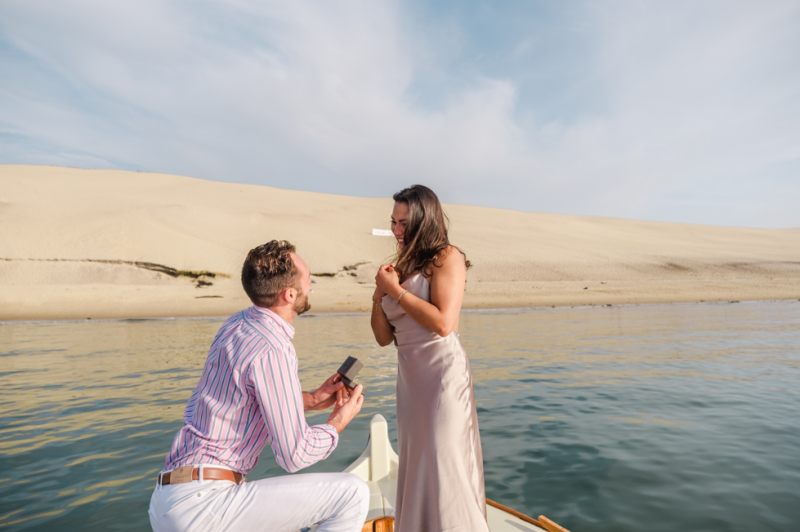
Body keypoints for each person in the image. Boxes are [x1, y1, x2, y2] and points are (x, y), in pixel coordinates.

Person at [149, 240, 368, 532]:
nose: (311, 285)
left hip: (168, 499)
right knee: (352, 494)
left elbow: (245, 396)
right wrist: (337, 423)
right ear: (290, 294)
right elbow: (294, 455)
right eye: (308, 279)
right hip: (205, 506)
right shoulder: (273, 348)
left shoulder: (236, 324)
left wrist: (313, 399)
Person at [370, 185, 490, 532]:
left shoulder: (447, 258)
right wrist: (379, 295)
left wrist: (395, 291)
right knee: (418, 461)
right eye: (393, 222)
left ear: (424, 219)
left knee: (444, 459)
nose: (396, 230)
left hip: (443, 378)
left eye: (403, 223)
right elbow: (382, 338)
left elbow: (443, 323)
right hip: (410, 382)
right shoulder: (399, 266)